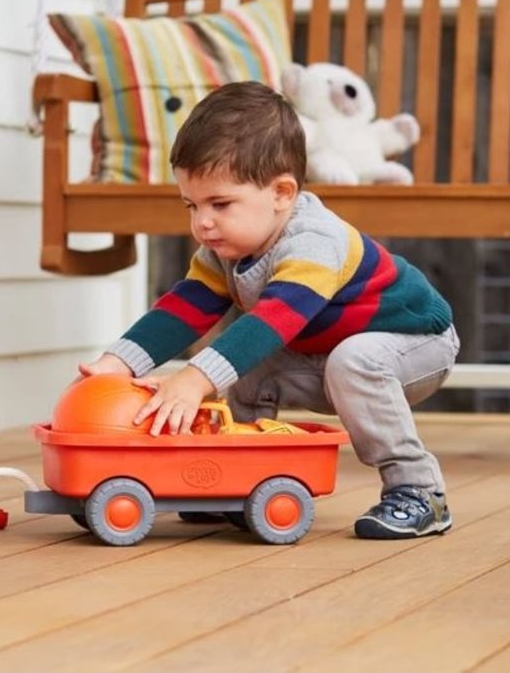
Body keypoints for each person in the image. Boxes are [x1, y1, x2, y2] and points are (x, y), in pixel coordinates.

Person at [79, 81, 460, 540]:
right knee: (243, 369)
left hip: (415, 343)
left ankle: (419, 491)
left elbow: (274, 320)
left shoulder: (314, 241)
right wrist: (115, 363)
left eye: (220, 203)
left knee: (347, 360)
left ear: (282, 192)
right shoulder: (227, 247)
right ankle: (237, 480)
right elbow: (183, 308)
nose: (202, 222)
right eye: (192, 205)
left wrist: (194, 379)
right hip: (326, 352)